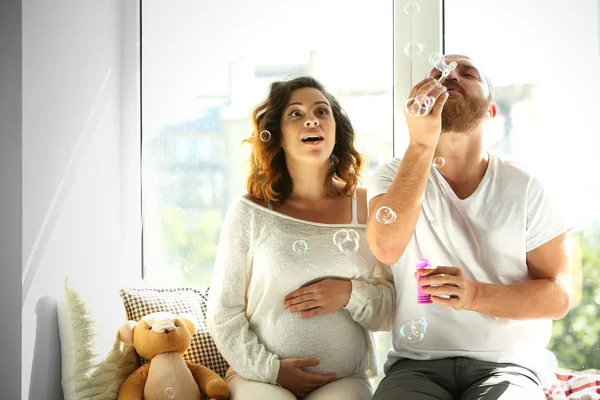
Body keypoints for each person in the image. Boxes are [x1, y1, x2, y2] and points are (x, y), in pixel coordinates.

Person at [366, 54, 572, 400]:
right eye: (440, 73)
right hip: (417, 364)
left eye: (468, 73)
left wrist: (475, 295)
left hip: (508, 365)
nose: (451, 76)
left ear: (491, 110)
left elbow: (558, 296)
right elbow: (385, 247)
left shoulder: (525, 185)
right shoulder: (391, 175)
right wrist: (420, 143)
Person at [207, 76, 395, 400]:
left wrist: (350, 294)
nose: (312, 119)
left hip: (344, 381)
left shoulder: (367, 209)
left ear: (336, 130)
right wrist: (271, 370)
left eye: (322, 112)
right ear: (277, 135)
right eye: (296, 113)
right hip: (258, 380)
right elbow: (223, 312)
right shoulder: (249, 211)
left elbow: (392, 308)